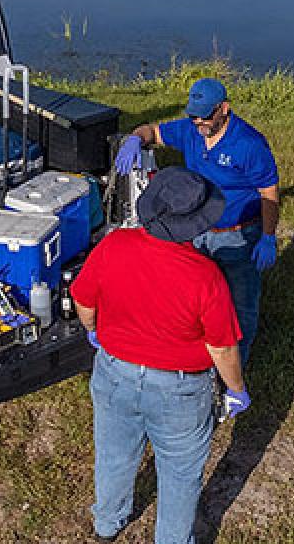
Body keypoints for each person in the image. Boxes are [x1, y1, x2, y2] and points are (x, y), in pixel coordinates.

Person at [71, 167, 249, 544]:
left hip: (114, 371)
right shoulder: (206, 275)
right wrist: (236, 389)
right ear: (200, 221)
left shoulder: (114, 246)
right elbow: (221, 347)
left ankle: (108, 523)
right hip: (180, 389)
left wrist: (94, 331)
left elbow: (82, 299)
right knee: (180, 474)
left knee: (114, 454)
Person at [114, 77, 279, 363]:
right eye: (193, 116)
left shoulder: (249, 144)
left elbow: (269, 192)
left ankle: (235, 367)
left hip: (238, 235)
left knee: (241, 306)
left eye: (205, 116)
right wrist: (134, 139)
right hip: (196, 230)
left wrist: (267, 236)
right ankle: (201, 357)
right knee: (195, 298)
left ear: (224, 109)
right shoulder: (190, 130)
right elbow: (151, 131)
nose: (199, 123)